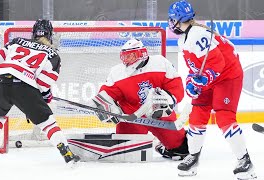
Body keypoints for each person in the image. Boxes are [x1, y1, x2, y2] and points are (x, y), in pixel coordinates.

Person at [168, 1, 257, 179]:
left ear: (178, 19)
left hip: (228, 76)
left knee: (224, 116)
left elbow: (218, 63)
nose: (171, 23)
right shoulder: (184, 39)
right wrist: (191, 82)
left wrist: (201, 80)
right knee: (197, 115)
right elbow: (195, 68)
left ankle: (245, 162)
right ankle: (193, 157)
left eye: (172, 19)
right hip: (212, 76)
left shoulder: (198, 34)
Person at [0, 19, 80, 165]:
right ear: (50, 35)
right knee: (48, 122)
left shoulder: (16, 41)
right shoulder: (53, 55)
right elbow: (43, 83)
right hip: (23, 86)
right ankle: (67, 153)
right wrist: (45, 97)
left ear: (33, 33)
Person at [90, 38, 189, 161]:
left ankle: (161, 146)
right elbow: (106, 94)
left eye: (130, 56)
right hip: (132, 118)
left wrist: (168, 99)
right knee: (126, 155)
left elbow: (175, 85)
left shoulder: (160, 63)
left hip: (159, 115)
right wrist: (106, 107)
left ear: (142, 54)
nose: (127, 60)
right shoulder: (117, 72)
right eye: (124, 57)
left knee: (183, 150)